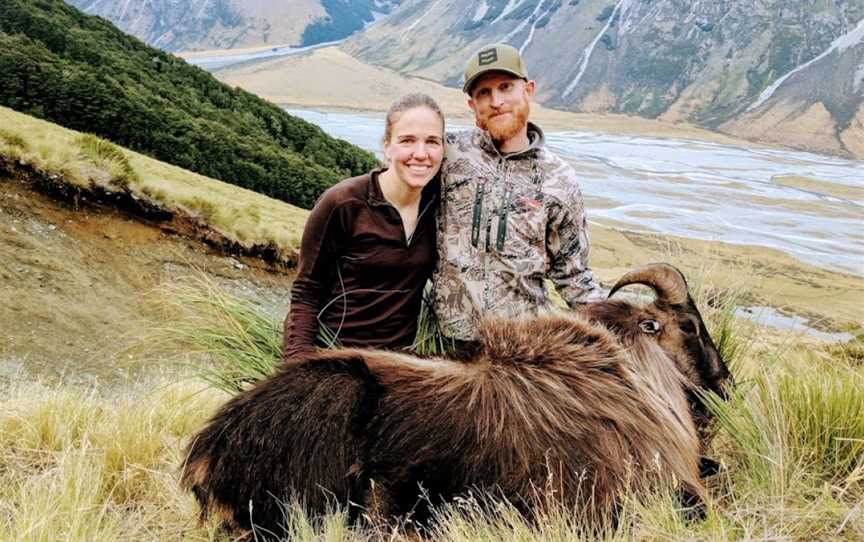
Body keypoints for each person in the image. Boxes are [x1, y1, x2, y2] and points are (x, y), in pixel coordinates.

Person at [433, 43, 602, 348]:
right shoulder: (447, 153)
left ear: (529, 90)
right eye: (483, 92)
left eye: (505, 87)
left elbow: (574, 275)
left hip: (524, 351)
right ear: (472, 106)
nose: (496, 101)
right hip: (446, 343)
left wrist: (617, 339)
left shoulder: (559, 178)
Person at [282, 94, 444, 361]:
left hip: (400, 368)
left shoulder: (440, 207)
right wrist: (299, 369)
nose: (421, 154)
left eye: (432, 142)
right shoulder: (343, 203)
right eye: (407, 141)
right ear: (387, 146)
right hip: (338, 358)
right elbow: (305, 293)